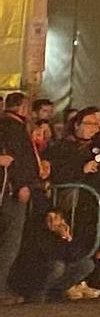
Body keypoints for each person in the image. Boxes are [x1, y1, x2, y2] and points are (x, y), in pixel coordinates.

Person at [0, 92, 35, 304]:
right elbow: (17, 158)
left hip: (8, 189)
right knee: (10, 242)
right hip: (11, 191)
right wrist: (21, 184)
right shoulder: (13, 128)